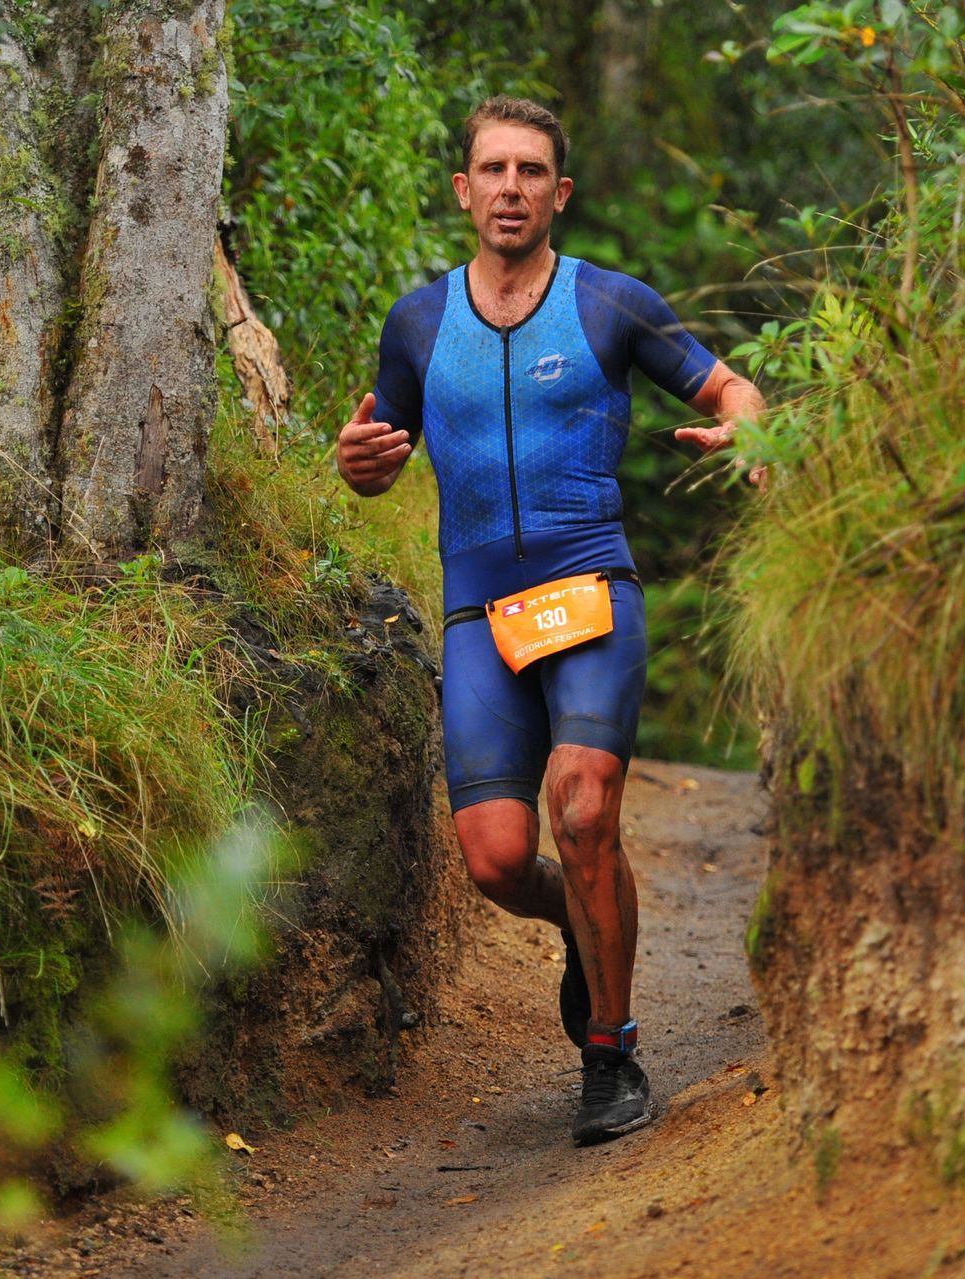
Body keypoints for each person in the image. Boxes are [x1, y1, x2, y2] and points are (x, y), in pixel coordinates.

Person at [336, 95, 765, 1146]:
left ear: (560, 193)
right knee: (491, 857)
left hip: (589, 589)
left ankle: (610, 1055)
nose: (513, 188)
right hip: (479, 609)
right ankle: (586, 923)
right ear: (464, 190)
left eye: (533, 172)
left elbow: (732, 388)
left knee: (582, 811)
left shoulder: (611, 304)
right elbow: (372, 452)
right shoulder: (419, 322)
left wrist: (743, 437)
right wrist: (358, 468)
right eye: (495, 170)